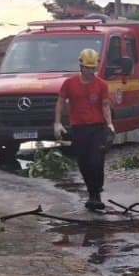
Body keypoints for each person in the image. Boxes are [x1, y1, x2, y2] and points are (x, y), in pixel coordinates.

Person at [54, 48, 115, 212]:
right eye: (87, 68)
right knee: (83, 162)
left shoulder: (101, 84)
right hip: (78, 128)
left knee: (96, 161)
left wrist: (110, 124)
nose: (90, 71)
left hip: (97, 128)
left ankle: (96, 194)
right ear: (81, 66)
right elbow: (60, 102)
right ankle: (91, 191)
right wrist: (57, 123)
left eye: (93, 68)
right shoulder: (70, 83)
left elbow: (105, 105)